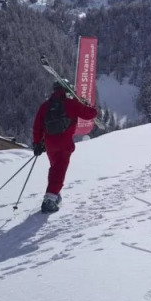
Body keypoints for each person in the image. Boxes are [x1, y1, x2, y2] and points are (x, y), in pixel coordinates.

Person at [31, 80, 98, 213]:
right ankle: (50, 199)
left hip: (50, 144)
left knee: (55, 168)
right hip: (64, 143)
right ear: (67, 91)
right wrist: (86, 104)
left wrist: (37, 143)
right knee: (59, 170)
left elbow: (37, 127)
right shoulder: (71, 104)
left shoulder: (45, 106)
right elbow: (90, 114)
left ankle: (54, 194)